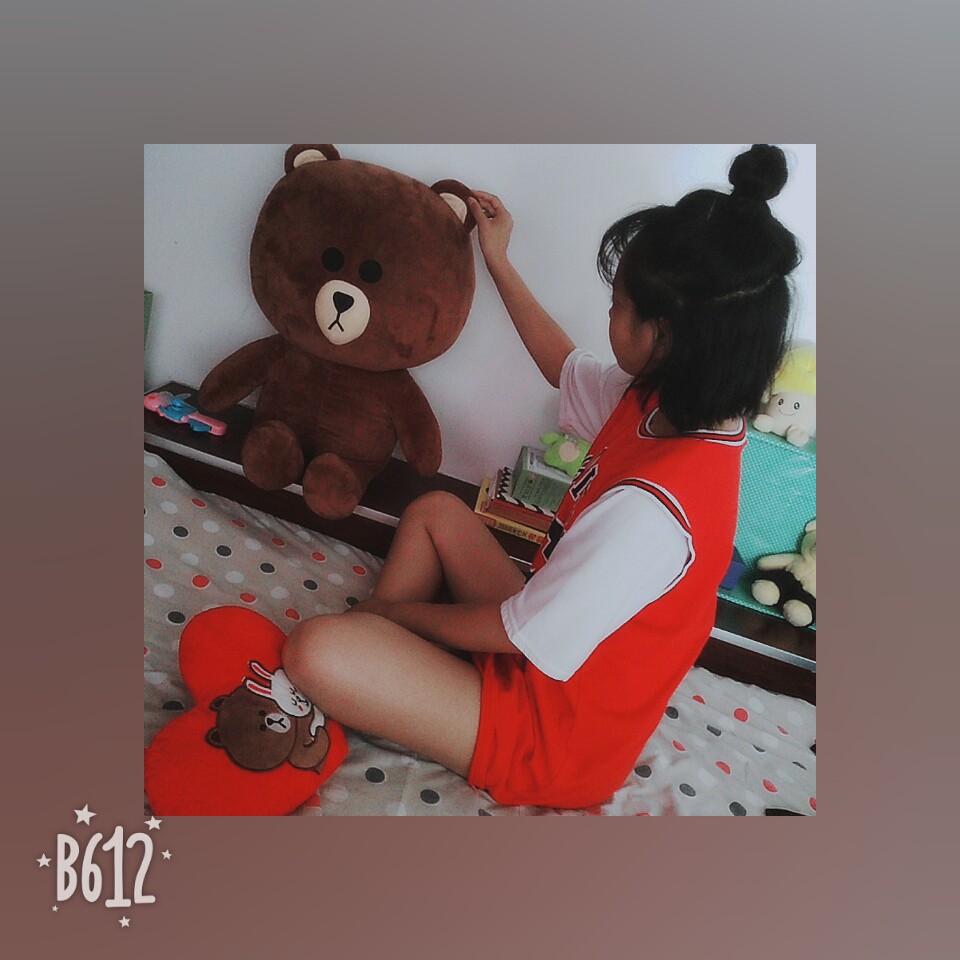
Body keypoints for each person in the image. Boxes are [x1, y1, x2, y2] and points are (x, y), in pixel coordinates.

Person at [281, 144, 802, 808]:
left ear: (664, 335)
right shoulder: (670, 401)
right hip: (544, 648)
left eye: (618, 304)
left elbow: (515, 635)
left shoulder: (652, 511)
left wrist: (393, 614)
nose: (608, 316)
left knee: (314, 650)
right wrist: (498, 260)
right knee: (436, 513)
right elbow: (564, 366)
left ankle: (384, 656)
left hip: (550, 736)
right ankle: (393, 661)